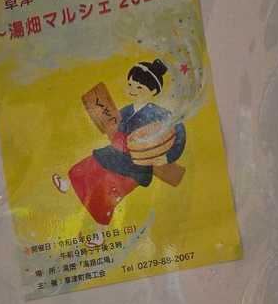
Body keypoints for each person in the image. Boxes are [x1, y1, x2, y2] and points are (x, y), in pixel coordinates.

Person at [55, 60, 187, 227]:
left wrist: (167, 157)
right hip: (115, 153)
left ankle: (99, 231)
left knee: (107, 196)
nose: (132, 90)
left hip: (135, 164)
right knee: (87, 167)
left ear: (153, 91)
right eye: (130, 84)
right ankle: (67, 184)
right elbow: (114, 125)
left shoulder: (159, 113)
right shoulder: (127, 110)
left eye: (139, 87)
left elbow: (179, 129)